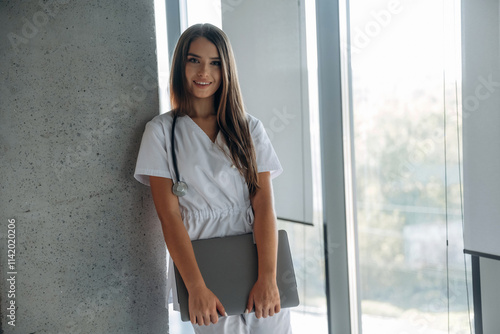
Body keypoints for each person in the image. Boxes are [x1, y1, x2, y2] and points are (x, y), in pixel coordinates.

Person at [134, 23, 291, 333]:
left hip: (257, 259)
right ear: (181, 64)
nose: (203, 71)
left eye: (215, 62)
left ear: (226, 69)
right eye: (194, 60)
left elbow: (264, 206)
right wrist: (196, 288)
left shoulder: (250, 129)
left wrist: (268, 279)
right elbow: (170, 217)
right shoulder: (160, 133)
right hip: (203, 267)